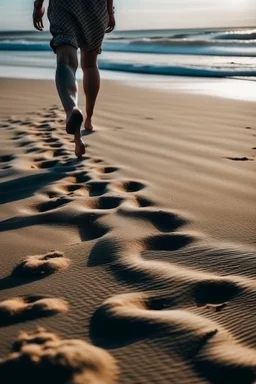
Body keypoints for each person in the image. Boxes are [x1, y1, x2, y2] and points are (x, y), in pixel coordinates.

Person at [32, 0, 115, 158]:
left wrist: (38, 6)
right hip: (96, 8)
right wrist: (110, 12)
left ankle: (72, 111)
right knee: (90, 65)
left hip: (65, 5)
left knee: (66, 61)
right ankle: (88, 120)